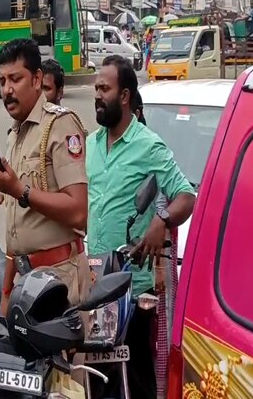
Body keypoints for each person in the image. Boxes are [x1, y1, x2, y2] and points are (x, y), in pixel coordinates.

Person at [86, 55, 196, 399]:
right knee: (98, 381)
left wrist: (161, 223)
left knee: (136, 383)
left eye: (104, 88)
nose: (97, 95)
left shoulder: (148, 145)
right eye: (95, 88)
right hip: (95, 286)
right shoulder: (90, 144)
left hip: (132, 292)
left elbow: (185, 196)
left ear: (124, 96)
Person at [0, 39, 90, 315]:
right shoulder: (15, 134)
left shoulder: (60, 125)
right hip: (24, 283)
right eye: (2, 81)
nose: (7, 90)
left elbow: (78, 212)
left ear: (37, 79)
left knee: (59, 360)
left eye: (15, 79)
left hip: (59, 282)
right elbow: (16, 232)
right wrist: (6, 291)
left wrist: (19, 190)